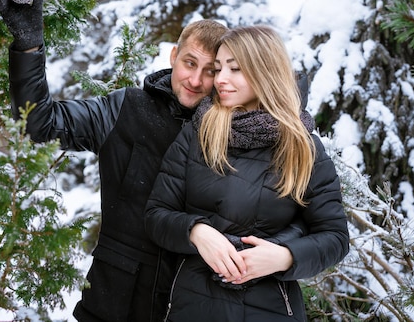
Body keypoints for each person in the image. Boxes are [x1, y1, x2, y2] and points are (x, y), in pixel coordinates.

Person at [0, 0, 231, 322]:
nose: (196, 81)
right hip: (113, 304)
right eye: (190, 63)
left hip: (191, 307)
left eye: (210, 71)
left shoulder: (230, 132)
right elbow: (39, 122)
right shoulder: (125, 110)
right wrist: (29, 46)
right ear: (174, 56)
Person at [145, 25, 350, 321]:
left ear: (265, 73)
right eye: (219, 69)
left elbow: (335, 237)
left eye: (235, 69)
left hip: (271, 309)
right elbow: (157, 214)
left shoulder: (302, 145)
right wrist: (195, 231)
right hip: (193, 307)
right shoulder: (199, 131)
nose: (221, 80)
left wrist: (284, 256)